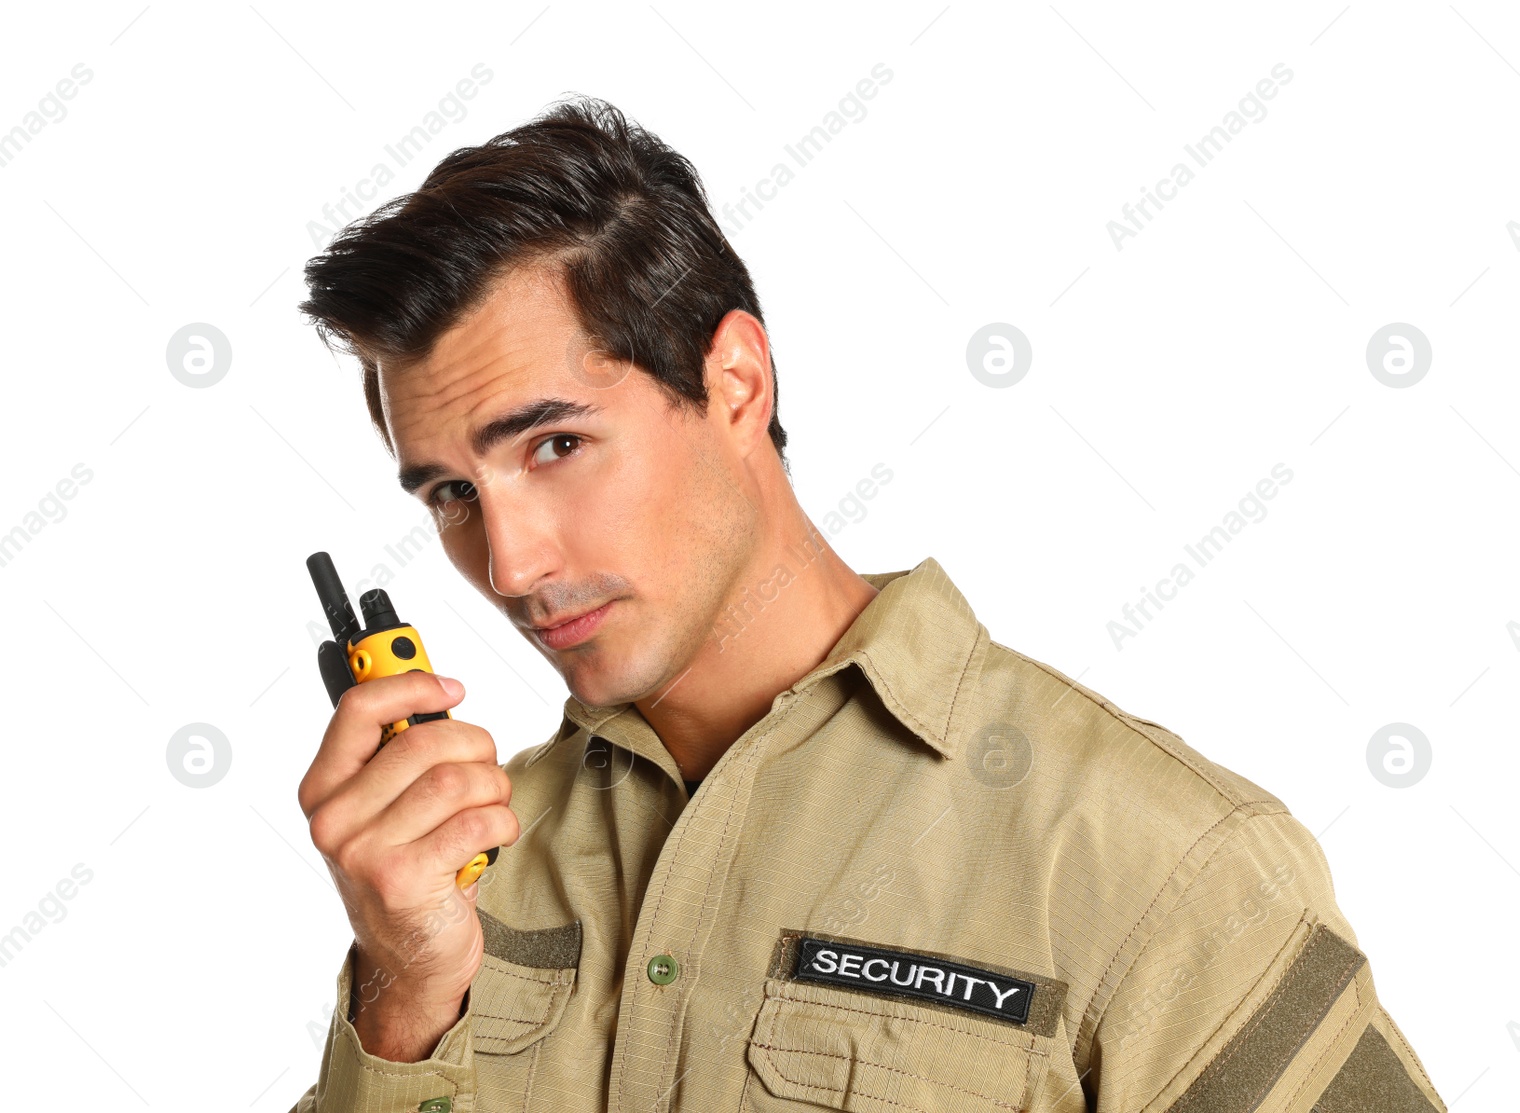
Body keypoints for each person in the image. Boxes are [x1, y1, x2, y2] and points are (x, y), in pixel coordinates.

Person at [290, 95, 1447, 1112]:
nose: (509, 565)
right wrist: (405, 996)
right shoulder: (465, 865)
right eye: (449, 492)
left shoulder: (1152, 858)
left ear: (735, 382)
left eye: (554, 444)